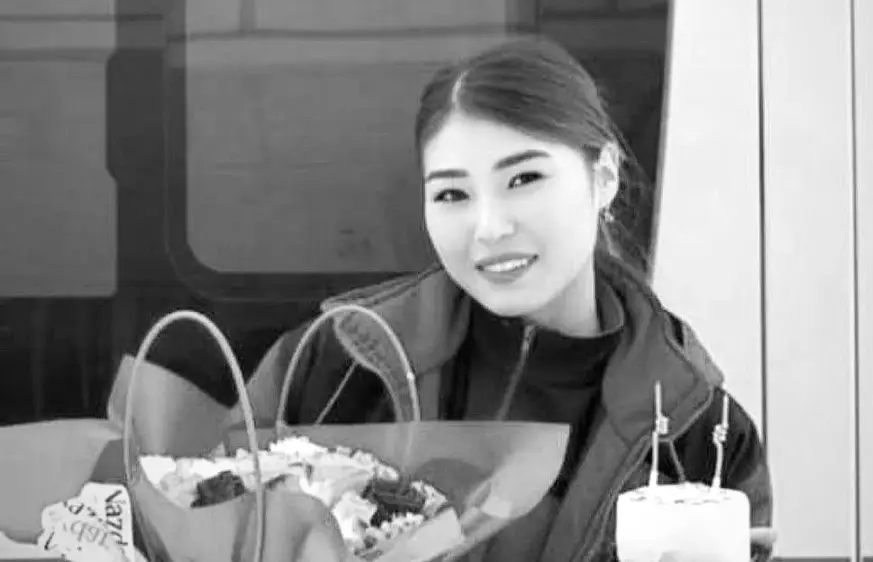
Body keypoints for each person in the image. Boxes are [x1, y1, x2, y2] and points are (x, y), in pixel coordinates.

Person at [232, 37, 773, 561]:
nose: (489, 227)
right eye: (452, 193)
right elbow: (212, 520)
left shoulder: (698, 429)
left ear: (604, 176)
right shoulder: (337, 364)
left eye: (524, 178)